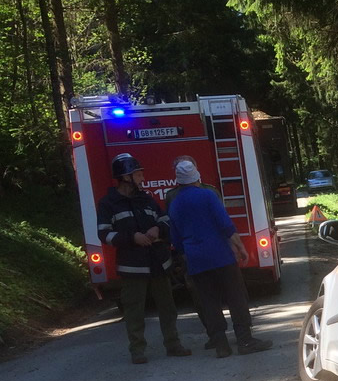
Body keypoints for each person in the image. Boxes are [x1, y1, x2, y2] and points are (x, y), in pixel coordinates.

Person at [166, 156, 272, 358]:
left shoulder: (174, 203)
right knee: (235, 296)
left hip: (196, 260)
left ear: (178, 180)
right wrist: (240, 248)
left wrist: (186, 254)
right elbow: (225, 225)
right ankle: (245, 340)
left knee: (209, 301)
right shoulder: (208, 196)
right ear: (197, 177)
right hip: (221, 256)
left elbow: (176, 238)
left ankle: (221, 344)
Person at [97, 153, 191, 364]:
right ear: (125, 177)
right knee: (134, 310)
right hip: (132, 267)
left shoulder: (146, 198)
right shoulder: (108, 204)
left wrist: (158, 228)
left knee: (168, 307)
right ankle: (137, 350)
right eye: (138, 173)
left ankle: (173, 344)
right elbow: (104, 234)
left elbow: (165, 219)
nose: (142, 177)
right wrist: (132, 238)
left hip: (158, 262)